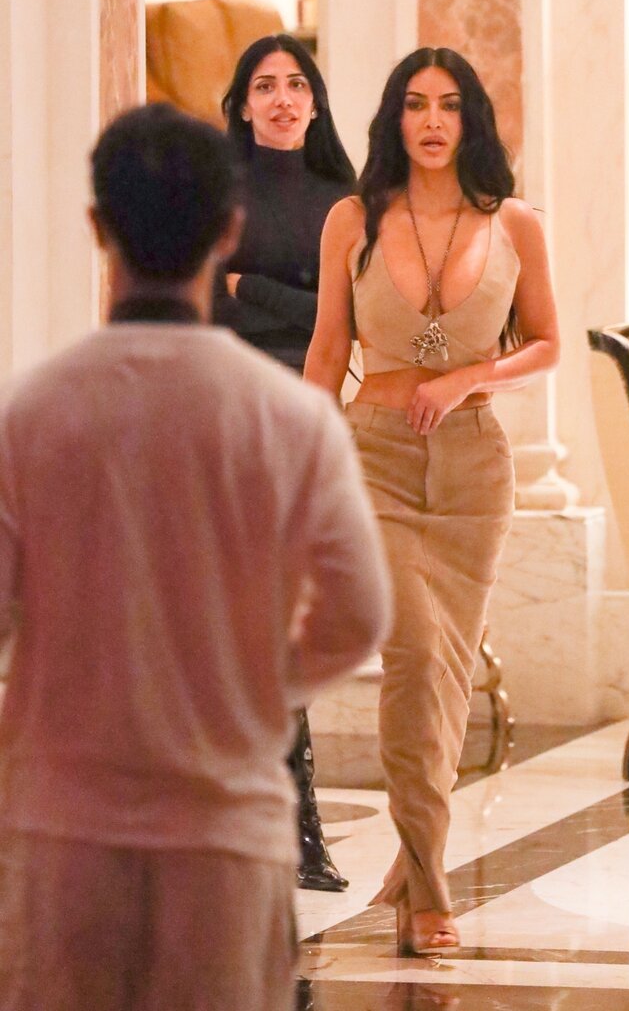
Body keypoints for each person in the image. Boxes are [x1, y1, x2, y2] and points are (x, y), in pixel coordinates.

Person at [0, 104, 391, 1011]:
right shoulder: (288, 417)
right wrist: (251, 685)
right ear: (227, 231)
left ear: (97, 227)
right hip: (226, 828)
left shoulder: (32, 413)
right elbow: (360, 614)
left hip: (65, 826)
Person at [304, 47, 559, 954]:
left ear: (471, 118)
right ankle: (431, 893)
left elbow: (547, 344)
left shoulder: (515, 223)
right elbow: (328, 350)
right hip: (373, 458)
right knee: (414, 656)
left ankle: (414, 861)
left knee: (446, 674)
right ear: (395, 119)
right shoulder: (352, 220)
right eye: (416, 105)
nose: (433, 121)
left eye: (450, 105)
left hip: (474, 469)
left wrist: (466, 380)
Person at [213, 33, 358, 892]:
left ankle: (289, 825)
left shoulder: (346, 201)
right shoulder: (218, 194)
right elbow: (208, 306)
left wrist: (253, 289)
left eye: (296, 84)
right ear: (241, 105)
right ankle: (291, 827)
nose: (282, 98)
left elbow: (350, 320)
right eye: (264, 85)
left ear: (315, 102)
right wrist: (298, 310)